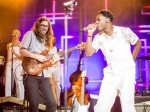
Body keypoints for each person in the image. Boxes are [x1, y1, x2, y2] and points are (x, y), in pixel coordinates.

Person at [85, 10, 142, 112]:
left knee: (127, 106)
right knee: (101, 107)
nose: (96, 22)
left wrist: (131, 61)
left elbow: (138, 43)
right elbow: (88, 53)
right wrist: (89, 34)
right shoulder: (99, 37)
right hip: (110, 73)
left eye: (98, 19)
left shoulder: (124, 31)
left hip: (126, 71)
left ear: (107, 20)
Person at [20, 16, 59, 112]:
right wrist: (37, 57)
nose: (44, 28)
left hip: (45, 74)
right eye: (42, 25)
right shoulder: (30, 34)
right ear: (38, 25)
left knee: (52, 103)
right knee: (34, 104)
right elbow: (22, 50)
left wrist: (54, 61)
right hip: (30, 73)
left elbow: (49, 61)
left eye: (46, 26)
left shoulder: (48, 41)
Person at [3, 30, 24, 99]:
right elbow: (7, 58)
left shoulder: (21, 45)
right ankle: (7, 98)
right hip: (9, 64)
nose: (14, 34)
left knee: (19, 82)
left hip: (18, 64)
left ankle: (20, 99)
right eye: (13, 33)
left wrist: (14, 53)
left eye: (16, 33)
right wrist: (4, 71)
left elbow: (22, 57)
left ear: (19, 35)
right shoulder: (8, 45)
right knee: (8, 82)